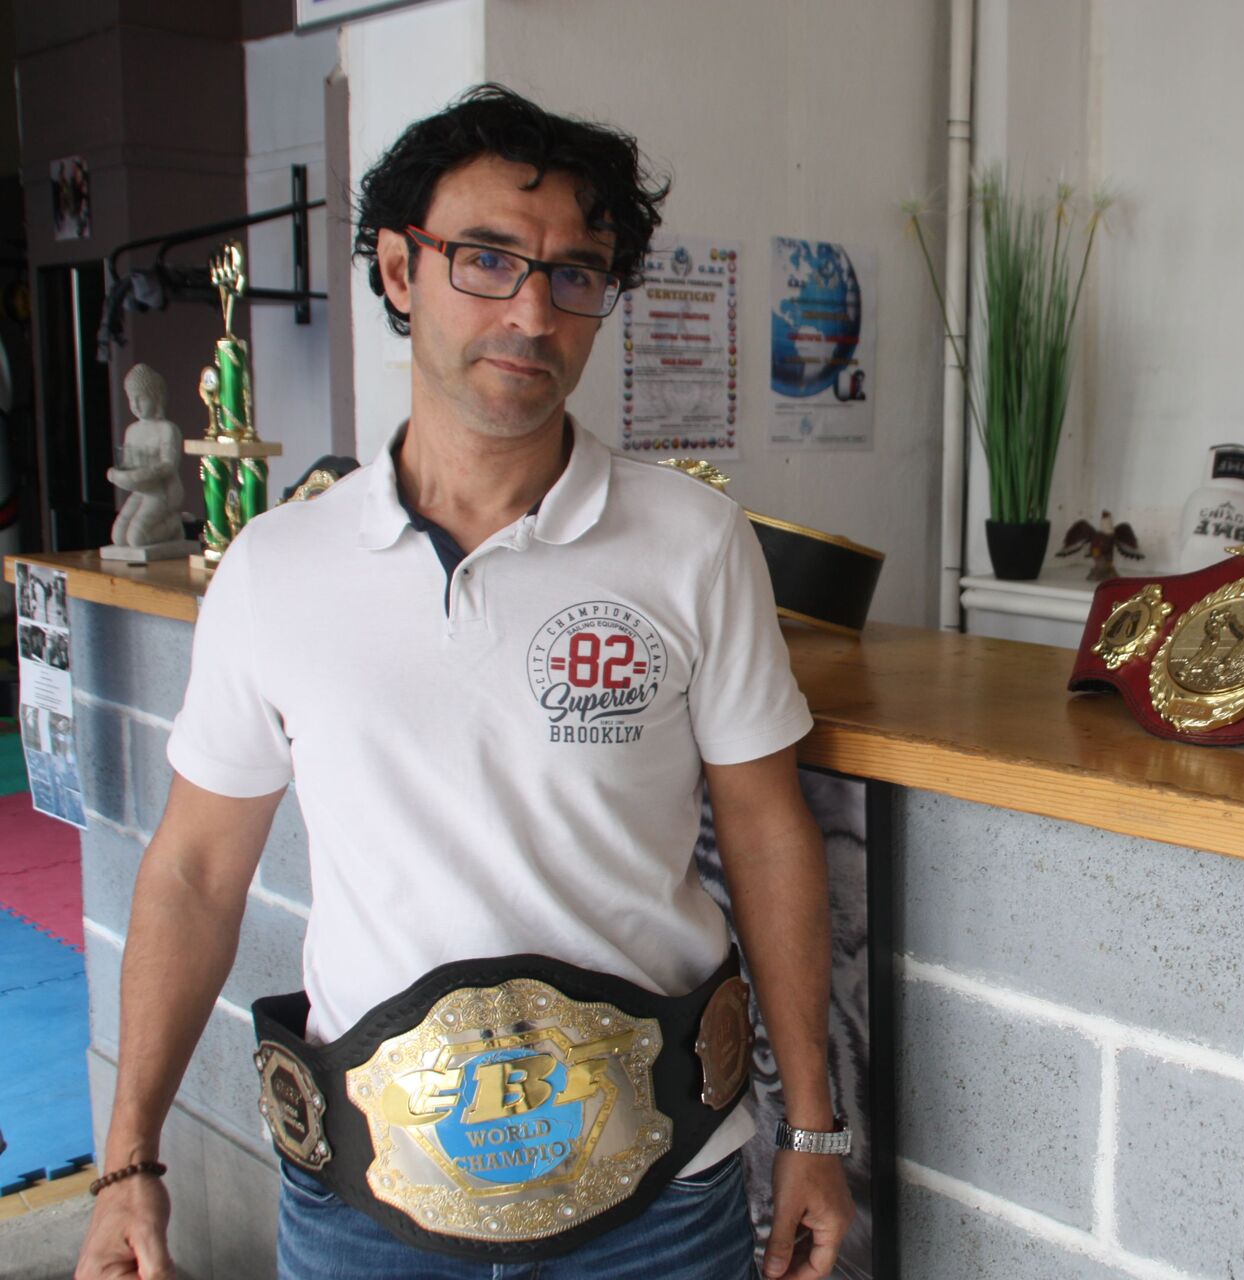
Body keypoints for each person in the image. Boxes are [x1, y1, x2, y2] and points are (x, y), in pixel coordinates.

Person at [75, 85, 852, 1280]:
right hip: (367, 1202)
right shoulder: (279, 570)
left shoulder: (693, 542)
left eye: (576, 273)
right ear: (397, 267)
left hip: (660, 1191)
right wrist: (129, 1160)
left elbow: (766, 831)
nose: (533, 312)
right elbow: (191, 872)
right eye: (486, 259)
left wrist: (811, 1125)